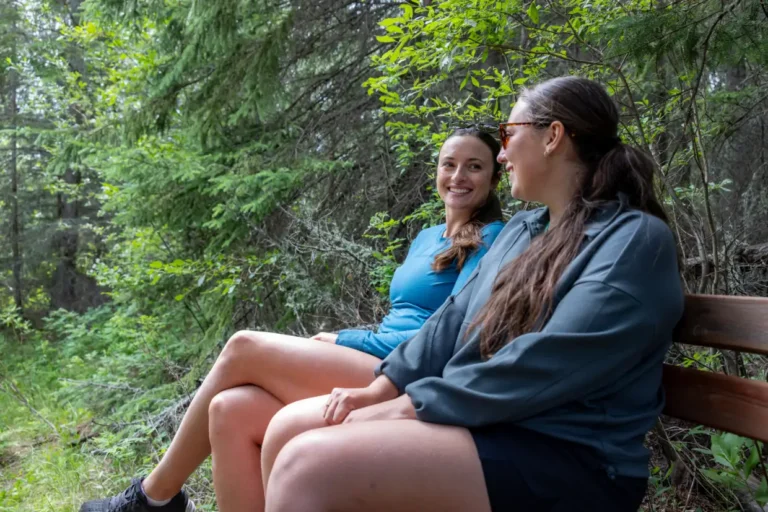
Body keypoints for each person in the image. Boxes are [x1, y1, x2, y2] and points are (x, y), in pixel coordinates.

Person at [257, 76, 685, 512]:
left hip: (571, 456)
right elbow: (452, 317)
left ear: (553, 137)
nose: (502, 153)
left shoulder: (633, 241)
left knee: (305, 463)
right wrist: (382, 390)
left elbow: (546, 363)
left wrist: (411, 406)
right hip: (497, 425)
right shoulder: (526, 229)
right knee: (288, 428)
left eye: (508, 134)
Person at [79, 128, 506, 512]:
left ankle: (153, 499)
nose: (458, 176)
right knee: (231, 409)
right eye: (449, 164)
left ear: (493, 178)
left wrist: (348, 340)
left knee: (243, 346)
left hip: (403, 372)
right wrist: (345, 337)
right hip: (378, 352)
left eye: (474, 166)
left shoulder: (493, 238)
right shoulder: (427, 238)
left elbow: (451, 326)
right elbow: (404, 317)